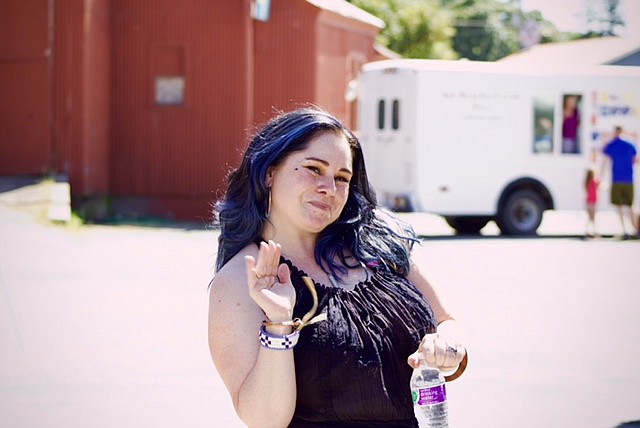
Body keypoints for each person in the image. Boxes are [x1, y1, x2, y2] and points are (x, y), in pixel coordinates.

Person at [208, 106, 467, 427]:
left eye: (341, 178)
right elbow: (266, 420)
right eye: (314, 169)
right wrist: (278, 324)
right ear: (269, 172)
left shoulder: (382, 242)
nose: (329, 189)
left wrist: (447, 348)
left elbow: (447, 322)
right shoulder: (238, 280)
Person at [601, 125, 638, 238]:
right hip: (629, 179)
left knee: (619, 206)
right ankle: (635, 230)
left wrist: (601, 177)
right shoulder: (630, 144)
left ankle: (624, 231)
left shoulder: (612, 144)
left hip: (617, 179)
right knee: (630, 206)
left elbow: (605, 161)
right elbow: (635, 160)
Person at [584, 167, 600, 238]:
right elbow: (599, 184)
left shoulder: (587, 182)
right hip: (592, 202)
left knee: (589, 217)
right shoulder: (593, 181)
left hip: (588, 202)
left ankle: (588, 231)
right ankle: (594, 231)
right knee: (593, 218)